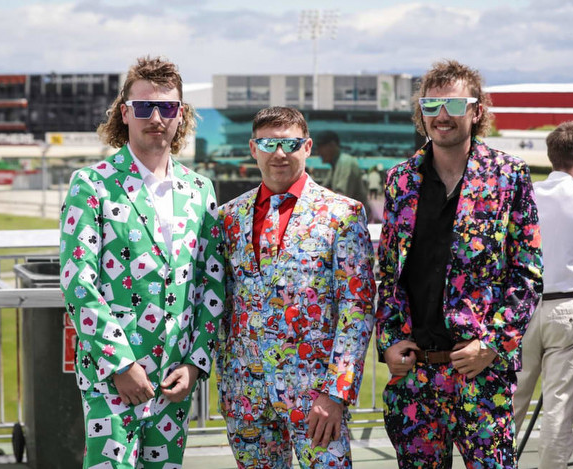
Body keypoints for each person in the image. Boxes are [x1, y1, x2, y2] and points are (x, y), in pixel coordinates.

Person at [375, 59, 543, 467]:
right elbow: (388, 272)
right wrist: (389, 339)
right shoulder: (401, 179)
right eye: (431, 106)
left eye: (453, 104)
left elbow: (528, 272)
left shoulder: (509, 175)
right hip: (416, 375)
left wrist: (494, 344)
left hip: (480, 371)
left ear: (477, 110)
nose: (442, 116)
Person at [59, 56, 225, 468]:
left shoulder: (200, 189)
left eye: (167, 107)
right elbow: (79, 282)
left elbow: (212, 282)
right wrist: (119, 363)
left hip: (173, 379)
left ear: (181, 114)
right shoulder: (92, 183)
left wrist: (195, 364)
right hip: (112, 375)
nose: (156, 117)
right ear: (125, 113)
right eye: (144, 107)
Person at [217, 106, 375, 468]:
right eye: (269, 143)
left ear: (308, 147)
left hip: (317, 397)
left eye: (290, 143)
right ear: (253, 148)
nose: (279, 153)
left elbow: (357, 309)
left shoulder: (343, 214)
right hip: (246, 394)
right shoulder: (227, 217)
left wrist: (337, 392)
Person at [514, 120, 573, 469]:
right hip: (567, 306)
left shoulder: (529, 192)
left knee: (511, 402)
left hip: (523, 308)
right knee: (559, 405)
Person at [316, 130, 370, 219]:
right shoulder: (335, 164)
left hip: (356, 220)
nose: (318, 152)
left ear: (332, 145)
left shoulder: (345, 162)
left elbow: (341, 198)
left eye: (320, 147)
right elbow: (322, 190)